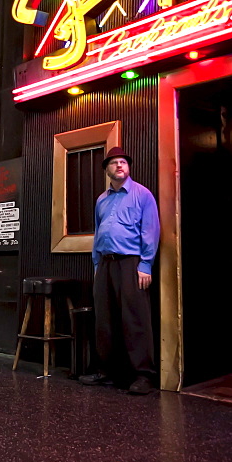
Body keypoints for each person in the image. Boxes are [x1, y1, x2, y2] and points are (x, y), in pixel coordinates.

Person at [78, 147, 160, 395]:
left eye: (123, 161)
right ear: (107, 170)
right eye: (114, 163)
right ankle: (106, 371)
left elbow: (151, 231)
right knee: (105, 319)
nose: (119, 165)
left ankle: (143, 375)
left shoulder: (142, 195)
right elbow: (98, 233)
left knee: (135, 318)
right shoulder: (101, 200)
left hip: (131, 263)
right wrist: (96, 265)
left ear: (129, 167)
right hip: (105, 264)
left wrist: (145, 264)